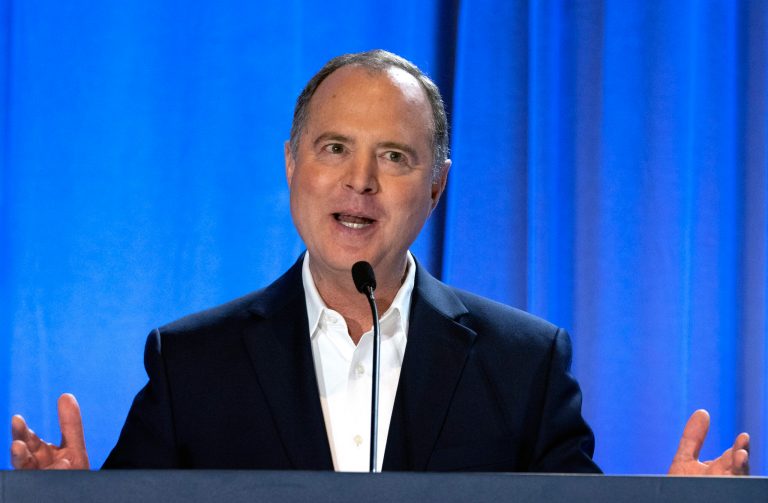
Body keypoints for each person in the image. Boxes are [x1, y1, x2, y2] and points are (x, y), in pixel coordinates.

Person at [10, 50, 750, 474]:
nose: (359, 180)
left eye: (394, 156)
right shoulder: (191, 360)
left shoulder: (523, 363)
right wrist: (81, 501)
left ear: (436, 186)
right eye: (334, 147)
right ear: (292, 163)